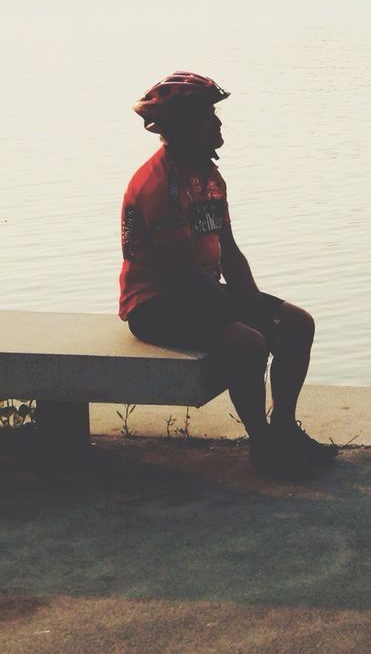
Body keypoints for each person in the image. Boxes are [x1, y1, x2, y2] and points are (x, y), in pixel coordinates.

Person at [119, 71, 336, 477]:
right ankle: (263, 445)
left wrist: (258, 304)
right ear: (183, 127)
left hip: (198, 291)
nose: (218, 124)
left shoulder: (208, 176)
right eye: (208, 116)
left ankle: (284, 428)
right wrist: (246, 320)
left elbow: (229, 252)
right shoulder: (159, 184)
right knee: (249, 344)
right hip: (156, 304)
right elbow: (183, 276)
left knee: (297, 324)